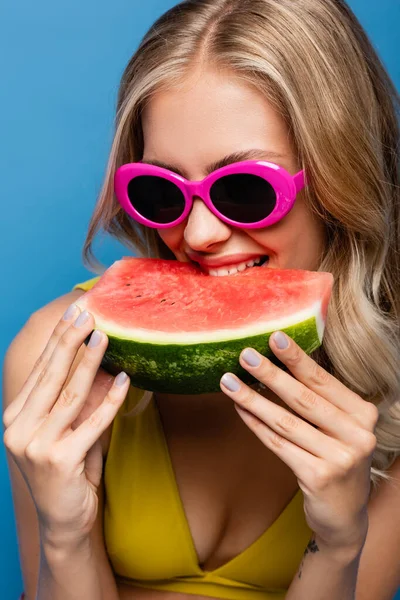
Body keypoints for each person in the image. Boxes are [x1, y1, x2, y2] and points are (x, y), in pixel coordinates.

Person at [3, 1, 400, 599]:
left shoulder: (390, 395)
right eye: (160, 191)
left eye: (244, 188)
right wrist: (65, 537)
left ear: (342, 180)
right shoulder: (55, 355)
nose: (197, 235)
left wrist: (340, 545)